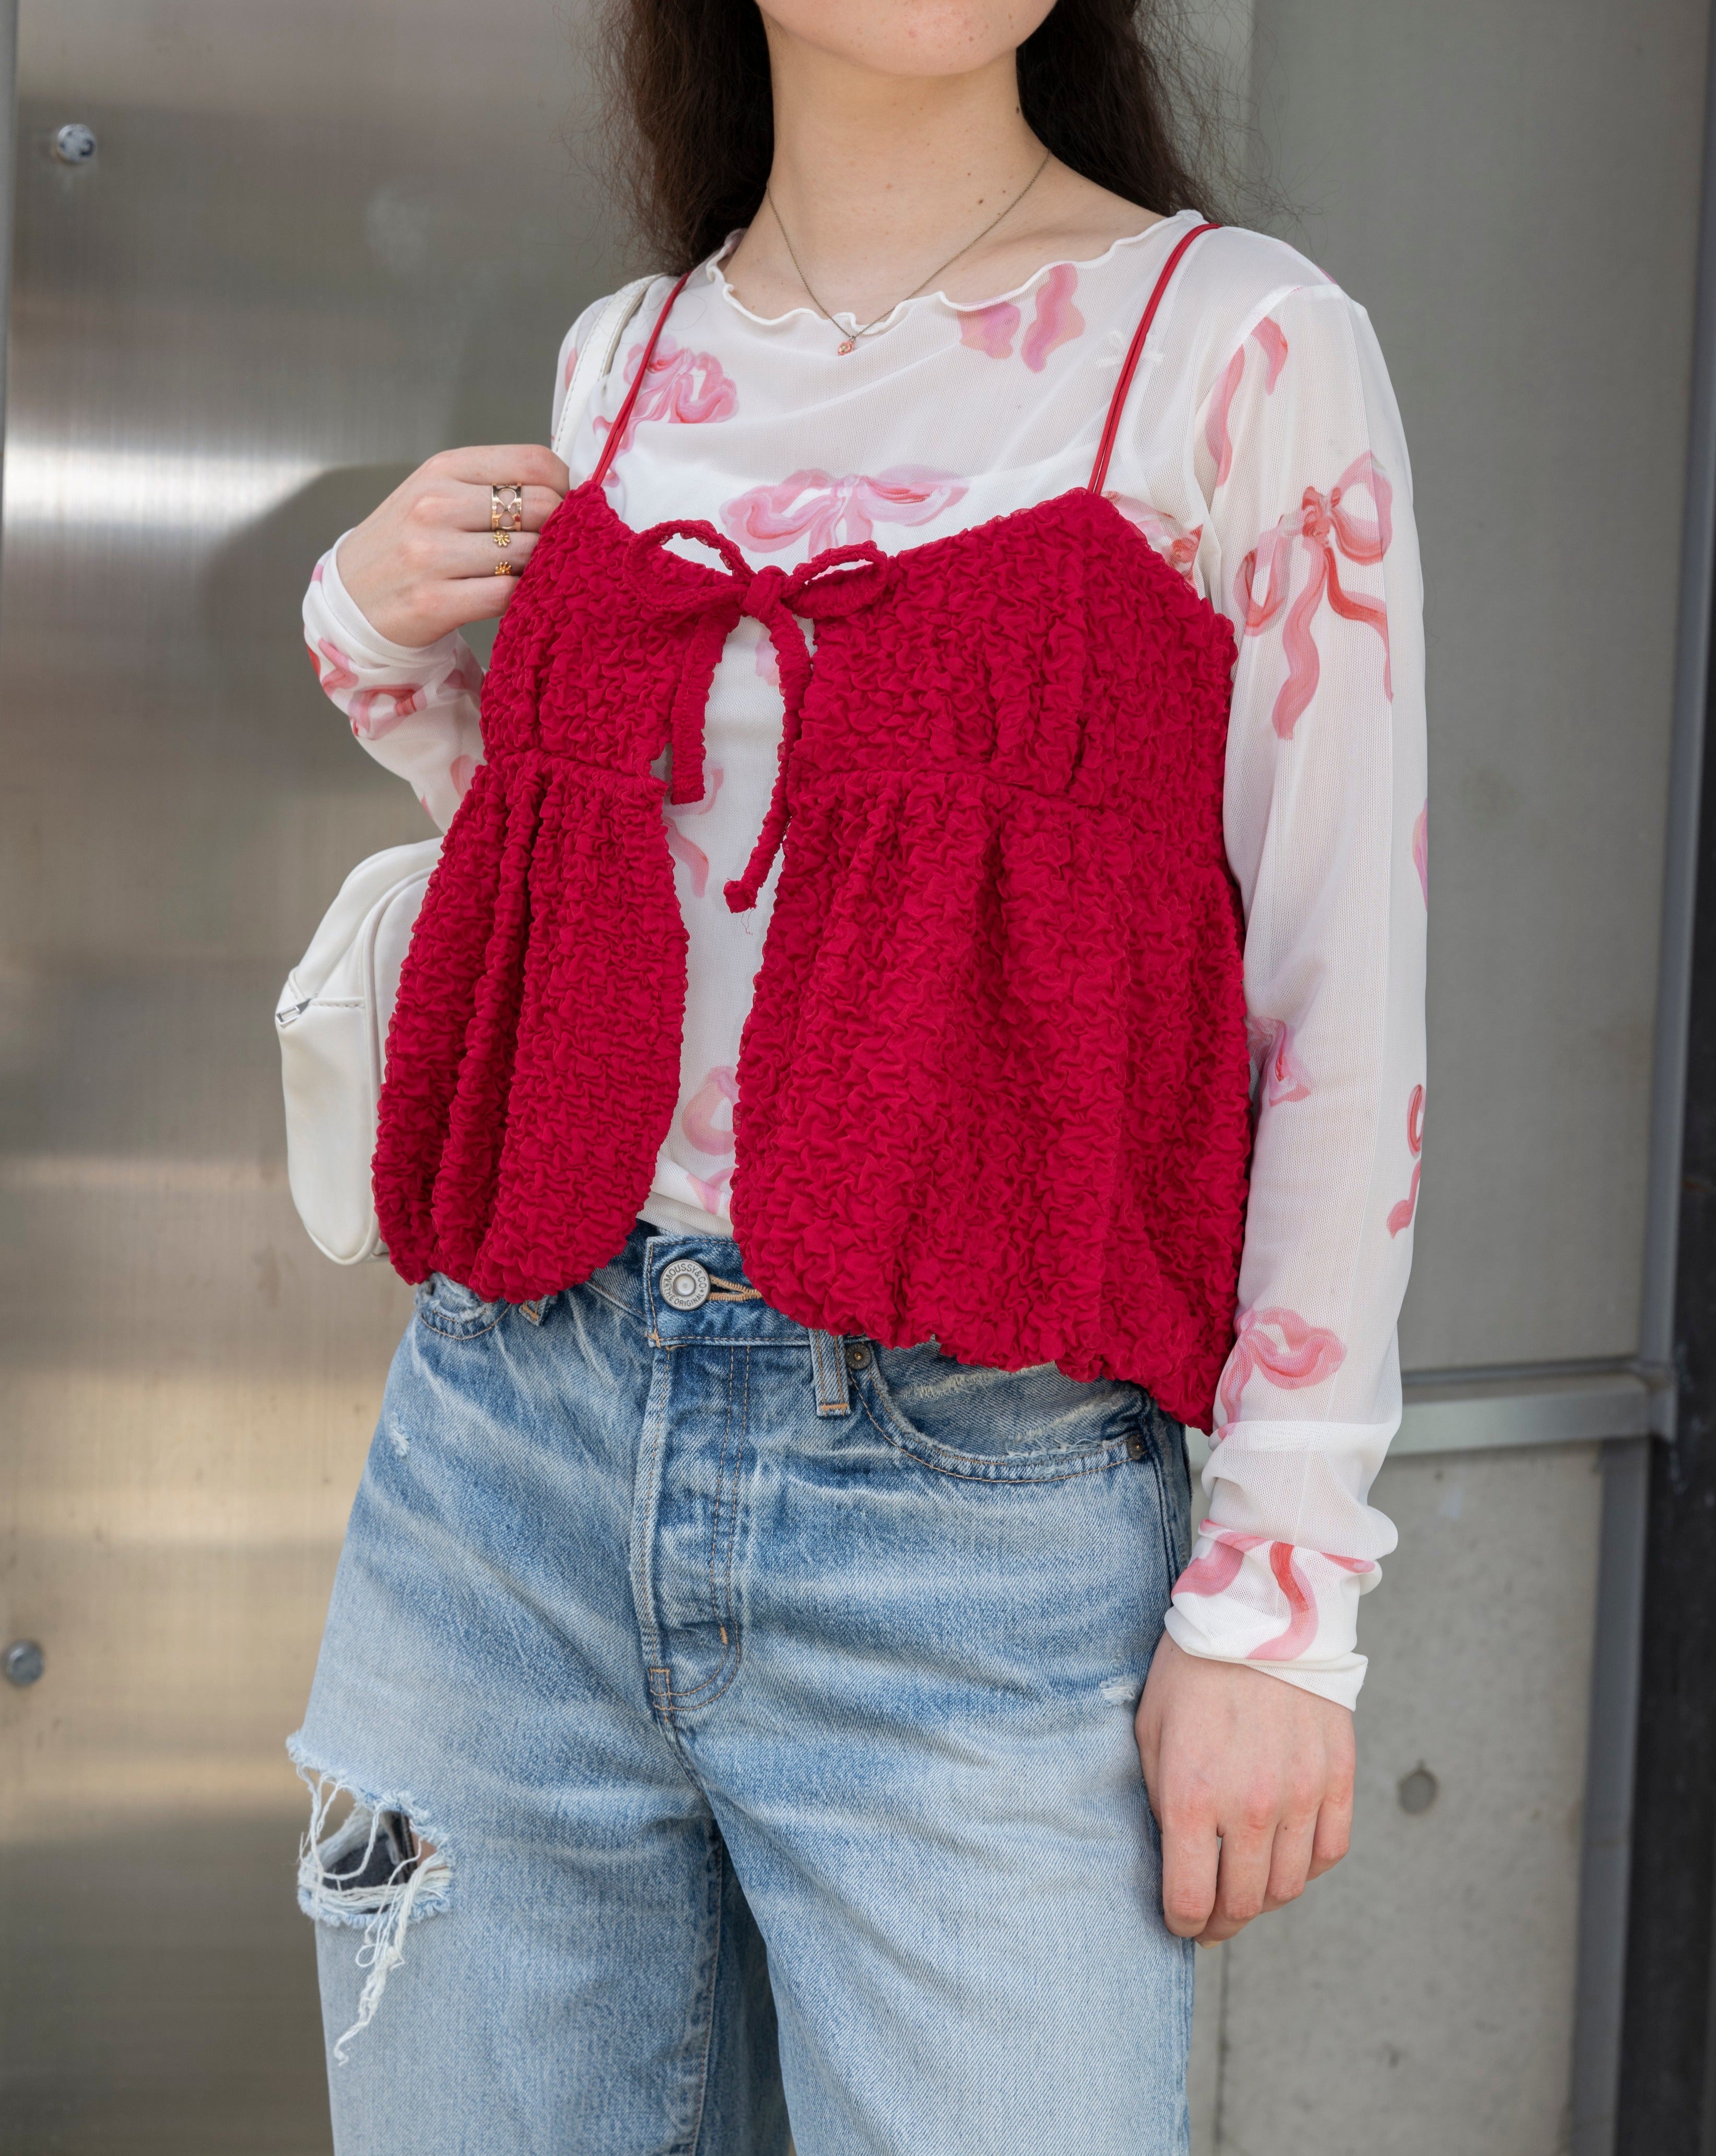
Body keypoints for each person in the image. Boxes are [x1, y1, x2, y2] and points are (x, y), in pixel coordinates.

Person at [289, 1, 1426, 2148]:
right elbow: (601, 914)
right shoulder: (626, 358)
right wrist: (368, 636)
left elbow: (1336, 1000)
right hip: (508, 1452)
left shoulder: (1237, 343)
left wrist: (1285, 1591)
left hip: (977, 1508)